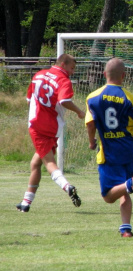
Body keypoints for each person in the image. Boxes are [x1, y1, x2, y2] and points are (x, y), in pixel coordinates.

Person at [85, 58, 133, 237]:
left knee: (108, 196)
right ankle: (126, 229)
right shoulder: (132, 99)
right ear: (124, 76)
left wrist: (92, 141)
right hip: (129, 150)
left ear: (104, 74)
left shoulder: (93, 98)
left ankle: (132, 182)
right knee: (124, 190)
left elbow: (90, 124)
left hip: (109, 153)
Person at [16, 54, 86, 213]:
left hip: (37, 125)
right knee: (36, 163)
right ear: (63, 63)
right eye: (72, 68)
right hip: (53, 127)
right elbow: (63, 100)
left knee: (48, 163)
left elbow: (29, 99)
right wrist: (79, 111)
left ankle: (67, 186)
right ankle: (26, 202)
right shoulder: (63, 81)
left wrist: (78, 111)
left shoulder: (38, 75)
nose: (73, 72)